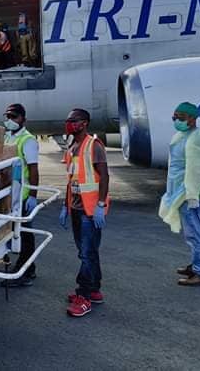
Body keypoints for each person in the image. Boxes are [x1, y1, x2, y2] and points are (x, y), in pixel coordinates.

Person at [59, 108, 110, 317]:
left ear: (85, 123)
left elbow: (104, 176)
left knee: (87, 253)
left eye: (74, 120)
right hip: (76, 207)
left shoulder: (93, 145)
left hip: (90, 210)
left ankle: (84, 295)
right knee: (87, 251)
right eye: (68, 120)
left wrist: (100, 205)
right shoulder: (72, 147)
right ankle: (95, 289)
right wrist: (65, 205)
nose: (70, 123)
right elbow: (72, 180)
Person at [158, 102, 200, 286]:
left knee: (196, 234)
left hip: (191, 194)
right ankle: (196, 265)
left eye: (181, 117)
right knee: (192, 234)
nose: (176, 120)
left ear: (192, 118)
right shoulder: (181, 136)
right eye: (175, 117)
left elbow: (197, 169)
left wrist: (192, 195)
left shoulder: (199, 137)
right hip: (180, 191)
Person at [0, 103, 40, 288]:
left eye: (14, 117)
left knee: (24, 234)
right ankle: (22, 269)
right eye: (7, 116)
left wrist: (33, 194)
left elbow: (33, 169)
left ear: (23, 119)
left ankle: (26, 272)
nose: (10, 120)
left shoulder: (28, 140)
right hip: (10, 194)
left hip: (22, 195)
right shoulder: (8, 137)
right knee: (13, 233)